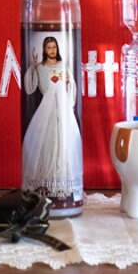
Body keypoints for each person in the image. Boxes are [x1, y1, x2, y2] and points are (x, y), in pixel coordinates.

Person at [21, 36, 82, 202]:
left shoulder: (63, 66)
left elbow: (72, 88)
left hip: (62, 112)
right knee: (47, 144)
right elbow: (30, 87)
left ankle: (61, 183)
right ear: (44, 50)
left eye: (54, 47)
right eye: (49, 47)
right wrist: (33, 68)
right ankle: (46, 183)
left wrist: (69, 83)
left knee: (63, 144)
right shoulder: (40, 68)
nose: (52, 50)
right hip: (46, 113)